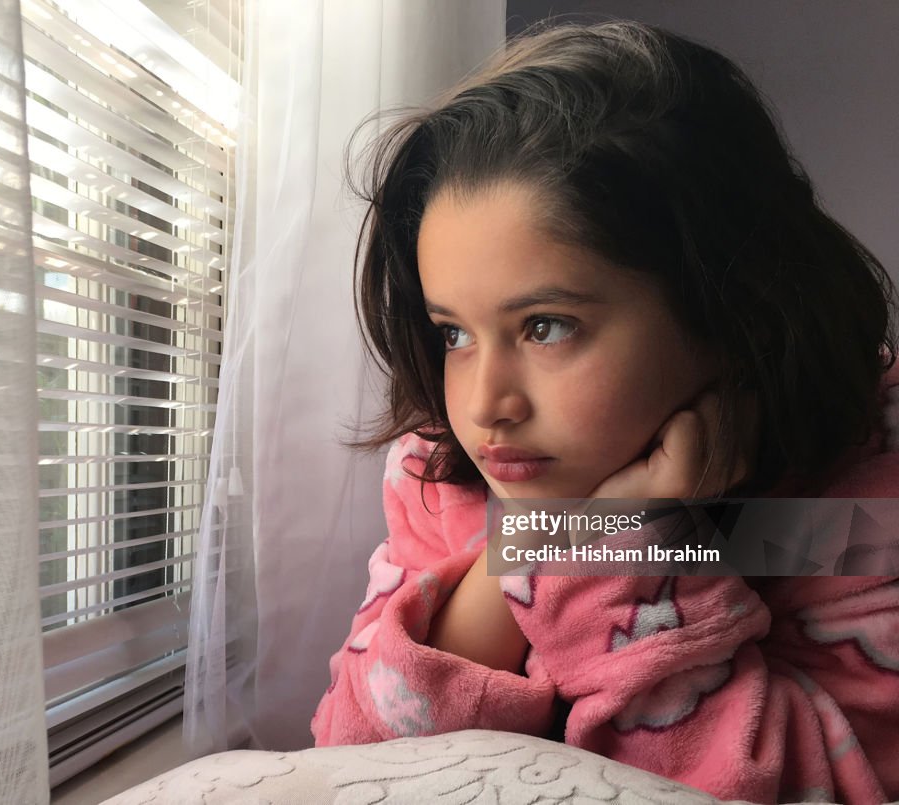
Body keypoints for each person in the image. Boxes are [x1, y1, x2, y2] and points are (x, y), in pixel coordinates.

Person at [310, 20, 899, 804]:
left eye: (546, 326)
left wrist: (634, 547)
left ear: (730, 314)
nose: (485, 405)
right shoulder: (438, 473)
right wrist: (559, 531)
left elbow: (815, 784)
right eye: (453, 332)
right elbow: (348, 762)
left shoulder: (857, 503)